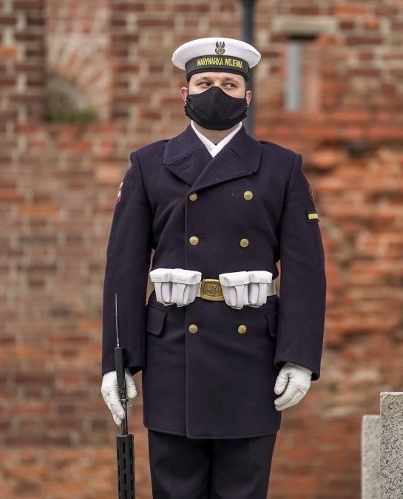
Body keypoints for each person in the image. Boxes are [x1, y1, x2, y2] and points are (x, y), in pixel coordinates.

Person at [99, 37, 326, 499]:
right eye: (204, 82)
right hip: (174, 356)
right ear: (184, 95)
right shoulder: (148, 165)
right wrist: (116, 363)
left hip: (251, 362)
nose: (215, 92)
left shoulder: (281, 168)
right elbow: (123, 267)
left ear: (248, 96)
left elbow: (305, 270)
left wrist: (299, 357)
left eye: (229, 83)